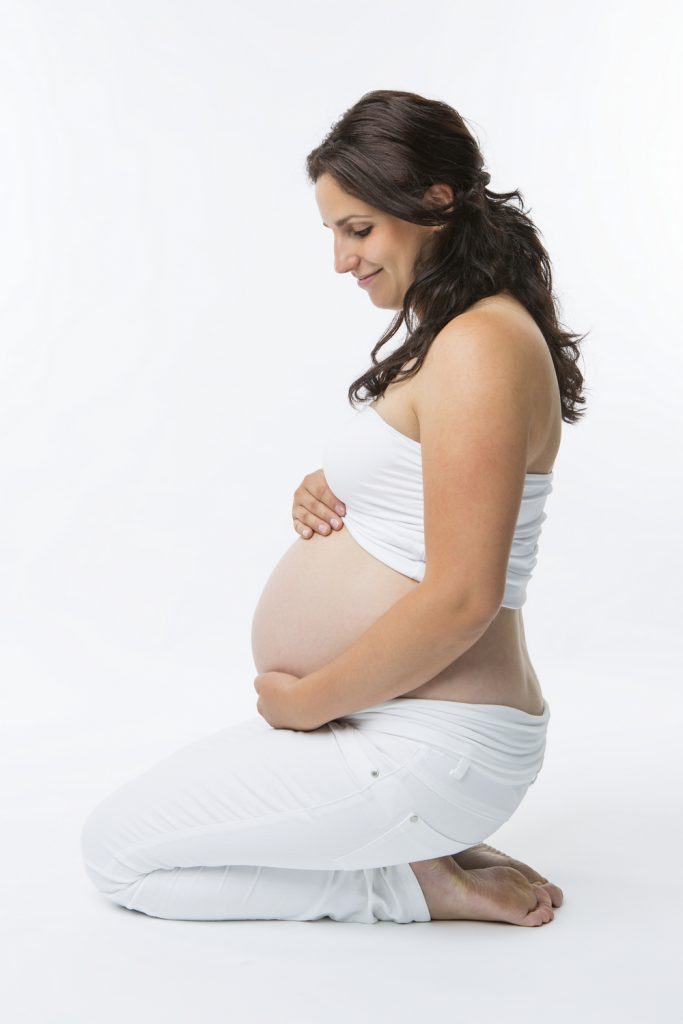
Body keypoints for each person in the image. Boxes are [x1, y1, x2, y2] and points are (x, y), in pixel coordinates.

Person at [80, 90, 587, 927]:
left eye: (358, 230)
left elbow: (464, 596)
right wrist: (341, 484)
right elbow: (431, 485)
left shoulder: (481, 345)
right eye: (332, 232)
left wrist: (307, 702)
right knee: (140, 831)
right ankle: (418, 850)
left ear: (434, 202)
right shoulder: (458, 334)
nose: (342, 260)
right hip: (398, 727)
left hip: (428, 746)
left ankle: (403, 883)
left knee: (117, 856)